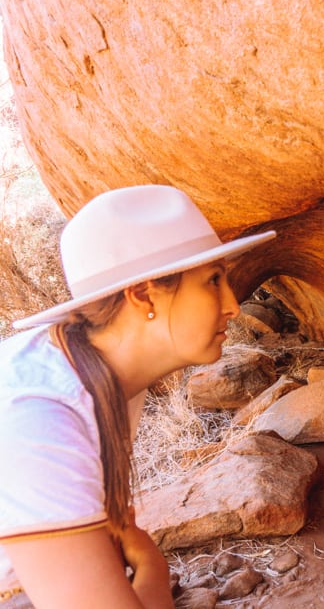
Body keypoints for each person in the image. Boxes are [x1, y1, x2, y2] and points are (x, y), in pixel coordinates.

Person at [0, 185, 275, 608]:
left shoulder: (96, 370)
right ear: (144, 294)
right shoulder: (39, 413)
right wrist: (152, 569)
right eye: (213, 281)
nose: (233, 305)